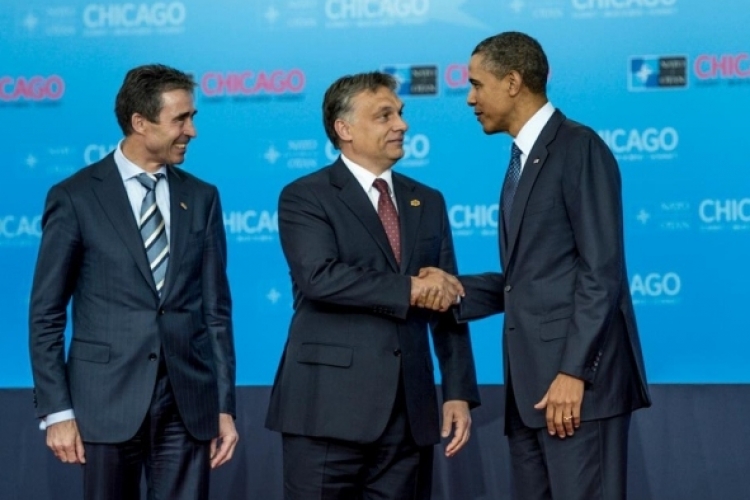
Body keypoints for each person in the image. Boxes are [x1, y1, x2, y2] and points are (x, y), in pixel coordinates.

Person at [424, 31, 651, 499]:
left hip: (577, 392)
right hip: (531, 393)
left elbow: (601, 271)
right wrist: (452, 289)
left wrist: (575, 372)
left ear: (512, 82)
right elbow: (528, 280)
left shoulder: (578, 147)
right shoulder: (522, 161)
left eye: (476, 84)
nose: (469, 99)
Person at [265, 71, 480, 499]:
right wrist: (410, 288)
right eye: (385, 116)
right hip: (326, 411)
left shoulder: (428, 200)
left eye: (400, 113)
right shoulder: (306, 195)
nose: (402, 124)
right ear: (344, 129)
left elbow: (446, 296)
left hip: (409, 415)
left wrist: (457, 390)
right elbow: (319, 277)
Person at [28, 64, 238, 500]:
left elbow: (215, 311)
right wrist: (57, 410)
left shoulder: (202, 197)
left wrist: (223, 406)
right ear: (140, 122)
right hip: (104, 401)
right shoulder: (75, 196)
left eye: (192, 117)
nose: (192, 131)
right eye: (180, 119)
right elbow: (46, 313)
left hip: (187, 403)